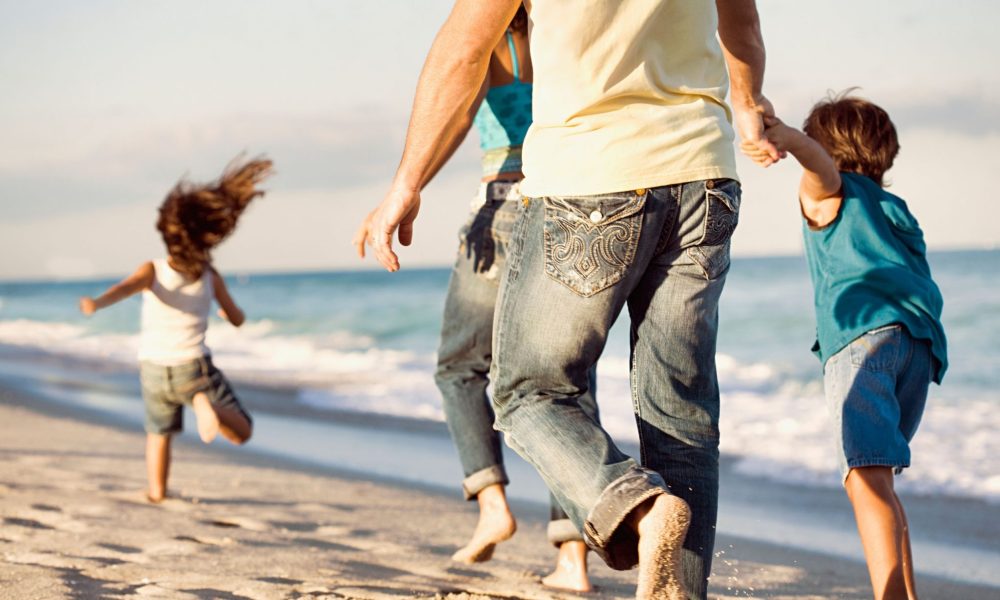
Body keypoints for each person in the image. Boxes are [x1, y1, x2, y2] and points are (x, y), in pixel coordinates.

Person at [359, 1, 778, 598]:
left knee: (529, 390)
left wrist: (406, 182)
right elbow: (743, 25)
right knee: (680, 411)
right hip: (704, 175)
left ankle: (638, 507)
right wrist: (748, 105)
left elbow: (463, 50)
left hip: (592, 176)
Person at [354, 6, 594, 592]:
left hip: (506, 207)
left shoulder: (495, 50)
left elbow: (457, 112)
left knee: (460, 364)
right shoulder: (573, 39)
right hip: (578, 210)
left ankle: (492, 503)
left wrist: (406, 188)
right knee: (567, 382)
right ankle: (573, 561)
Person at [746, 92, 947, 600]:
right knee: (879, 479)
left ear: (824, 148)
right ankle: (904, 592)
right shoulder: (894, 208)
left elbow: (820, 169)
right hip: (917, 347)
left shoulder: (830, 192)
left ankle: (891, 596)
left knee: (862, 475)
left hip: (863, 343)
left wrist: (788, 139)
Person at [79, 157, 272, 503]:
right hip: (192, 369)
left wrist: (97, 303)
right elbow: (236, 317)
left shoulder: (152, 270)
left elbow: (124, 288)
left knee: (158, 433)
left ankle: (157, 492)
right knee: (242, 430)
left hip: (153, 368)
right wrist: (235, 317)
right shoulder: (210, 277)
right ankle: (205, 404)